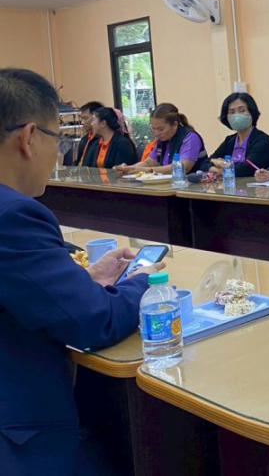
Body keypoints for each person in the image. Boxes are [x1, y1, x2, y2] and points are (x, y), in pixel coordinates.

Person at [0, 68, 164, 474]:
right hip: (21, 433)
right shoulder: (14, 216)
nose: (59, 154)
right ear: (29, 137)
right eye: (59, 140)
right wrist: (143, 283)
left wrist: (81, 284)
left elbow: (21, 290)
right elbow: (95, 322)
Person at [116, 103, 206, 176]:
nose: (156, 133)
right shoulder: (163, 139)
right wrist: (129, 169)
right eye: (153, 128)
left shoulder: (190, 138)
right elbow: (150, 162)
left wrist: (145, 170)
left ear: (175, 124)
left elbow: (183, 168)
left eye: (161, 129)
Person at [201, 93, 269, 179]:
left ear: (252, 113)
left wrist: (221, 167)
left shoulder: (263, 140)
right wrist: (215, 166)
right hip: (232, 186)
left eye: (242, 110)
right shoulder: (230, 141)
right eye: (232, 112)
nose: (237, 116)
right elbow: (204, 164)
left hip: (257, 186)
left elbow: (247, 169)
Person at [71, 101, 103, 166]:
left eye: (85, 118)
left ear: (97, 118)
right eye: (81, 119)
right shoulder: (84, 139)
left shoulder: (104, 139)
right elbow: (77, 162)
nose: (82, 122)